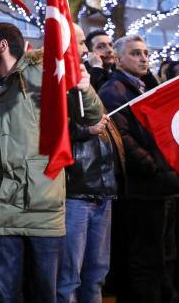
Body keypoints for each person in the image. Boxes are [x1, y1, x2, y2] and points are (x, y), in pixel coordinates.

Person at [0, 23, 103, 303]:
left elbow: (90, 119)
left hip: (42, 207)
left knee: (44, 293)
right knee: (2, 294)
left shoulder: (45, 75)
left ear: (2, 46)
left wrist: (85, 89)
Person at [99, 35, 179, 303]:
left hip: (162, 185)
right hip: (142, 188)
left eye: (146, 53)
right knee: (145, 258)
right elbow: (121, 137)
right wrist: (154, 166)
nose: (144, 58)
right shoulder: (114, 91)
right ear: (120, 58)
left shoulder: (145, 87)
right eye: (136, 53)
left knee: (165, 253)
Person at [57, 24, 121, 303]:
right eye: (80, 43)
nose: (85, 50)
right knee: (68, 277)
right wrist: (85, 130)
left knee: (96, 274)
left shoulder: (88, 78)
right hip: (75, 191)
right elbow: (47, 131)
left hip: (102, 189)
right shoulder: (54, 80)